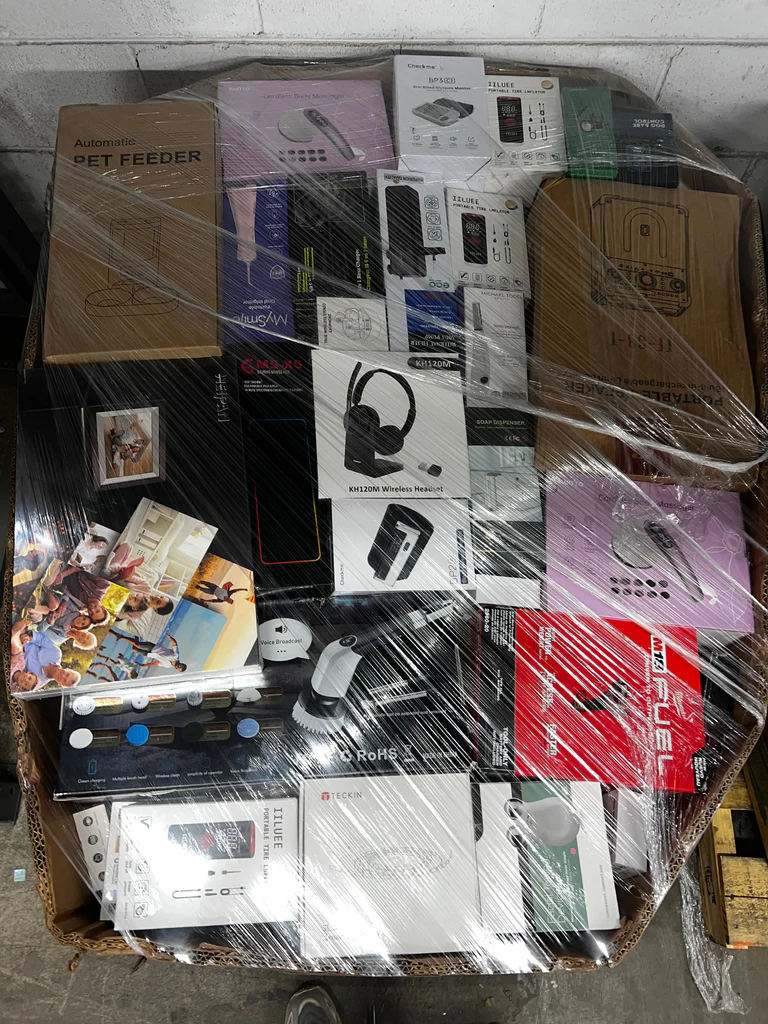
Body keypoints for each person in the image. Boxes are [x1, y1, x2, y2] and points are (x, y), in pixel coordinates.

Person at [111, 630, 186, 673]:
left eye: (178, 669)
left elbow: (157, 663)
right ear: (182, 664)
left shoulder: (168, 666)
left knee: (134, 649)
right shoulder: (176, 656)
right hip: (154, 647)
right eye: (180, 666)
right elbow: (174, 644)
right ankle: (121, 637)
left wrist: (144, 665)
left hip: (150, 654)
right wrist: (170, 638)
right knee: (137, 645)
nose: (178, 667)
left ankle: (136, 636)